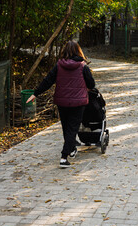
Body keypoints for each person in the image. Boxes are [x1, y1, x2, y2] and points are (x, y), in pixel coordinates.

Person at [26, 40, 95, 168]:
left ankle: (72, 148)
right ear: (78, 51)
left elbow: (48, 81)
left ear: (64, 51)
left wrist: (35, 93)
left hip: (62, 103)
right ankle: (64, 157)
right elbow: (92, 84)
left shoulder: (59, 65)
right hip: (78, 103)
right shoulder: (82, 66)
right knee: (72, 129)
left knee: (66, 128)